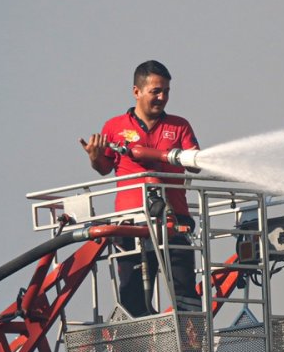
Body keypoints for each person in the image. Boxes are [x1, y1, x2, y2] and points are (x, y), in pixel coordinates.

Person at [79, 60, 200, 317]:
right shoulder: (114, 127)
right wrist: (94, 156)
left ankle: (192, 349)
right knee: (131, 294)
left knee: (185, 291)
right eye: (155, 91)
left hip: (174, 220)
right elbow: (104, 167)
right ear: (137, 92)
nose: (162, 97)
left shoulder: (180, 126)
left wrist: (183, 157)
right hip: (130, 222)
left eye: (166, 91)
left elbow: (196, 163)